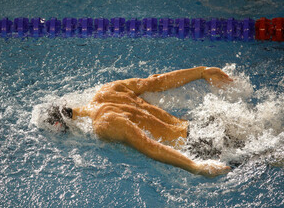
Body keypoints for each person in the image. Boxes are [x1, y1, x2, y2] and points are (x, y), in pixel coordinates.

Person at [46, 66, 233, 177]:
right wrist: (202, 72)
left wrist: (195, 167)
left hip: (198, 145)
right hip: (202, 125)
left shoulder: (104, 124)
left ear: (63, 125)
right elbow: (157, 82)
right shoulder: (107, 90)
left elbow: (149, 146)